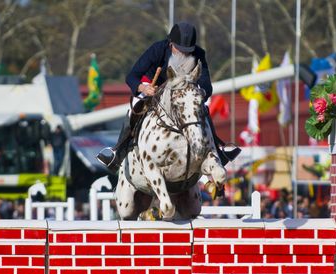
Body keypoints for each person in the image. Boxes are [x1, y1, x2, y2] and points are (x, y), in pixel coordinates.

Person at [96, 21, 240, 172]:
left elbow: (206, 84)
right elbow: (132, 76)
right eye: (179, 49)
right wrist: (144, 87)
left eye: (187, 50)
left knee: (203, 108)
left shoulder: (198, 53)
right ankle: (118, 152)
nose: (183, 53)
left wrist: (198, 91)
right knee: (133, 109)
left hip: (182, 94)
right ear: (171, 43)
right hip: (154, 89)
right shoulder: (158, 49)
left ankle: (218, 149)